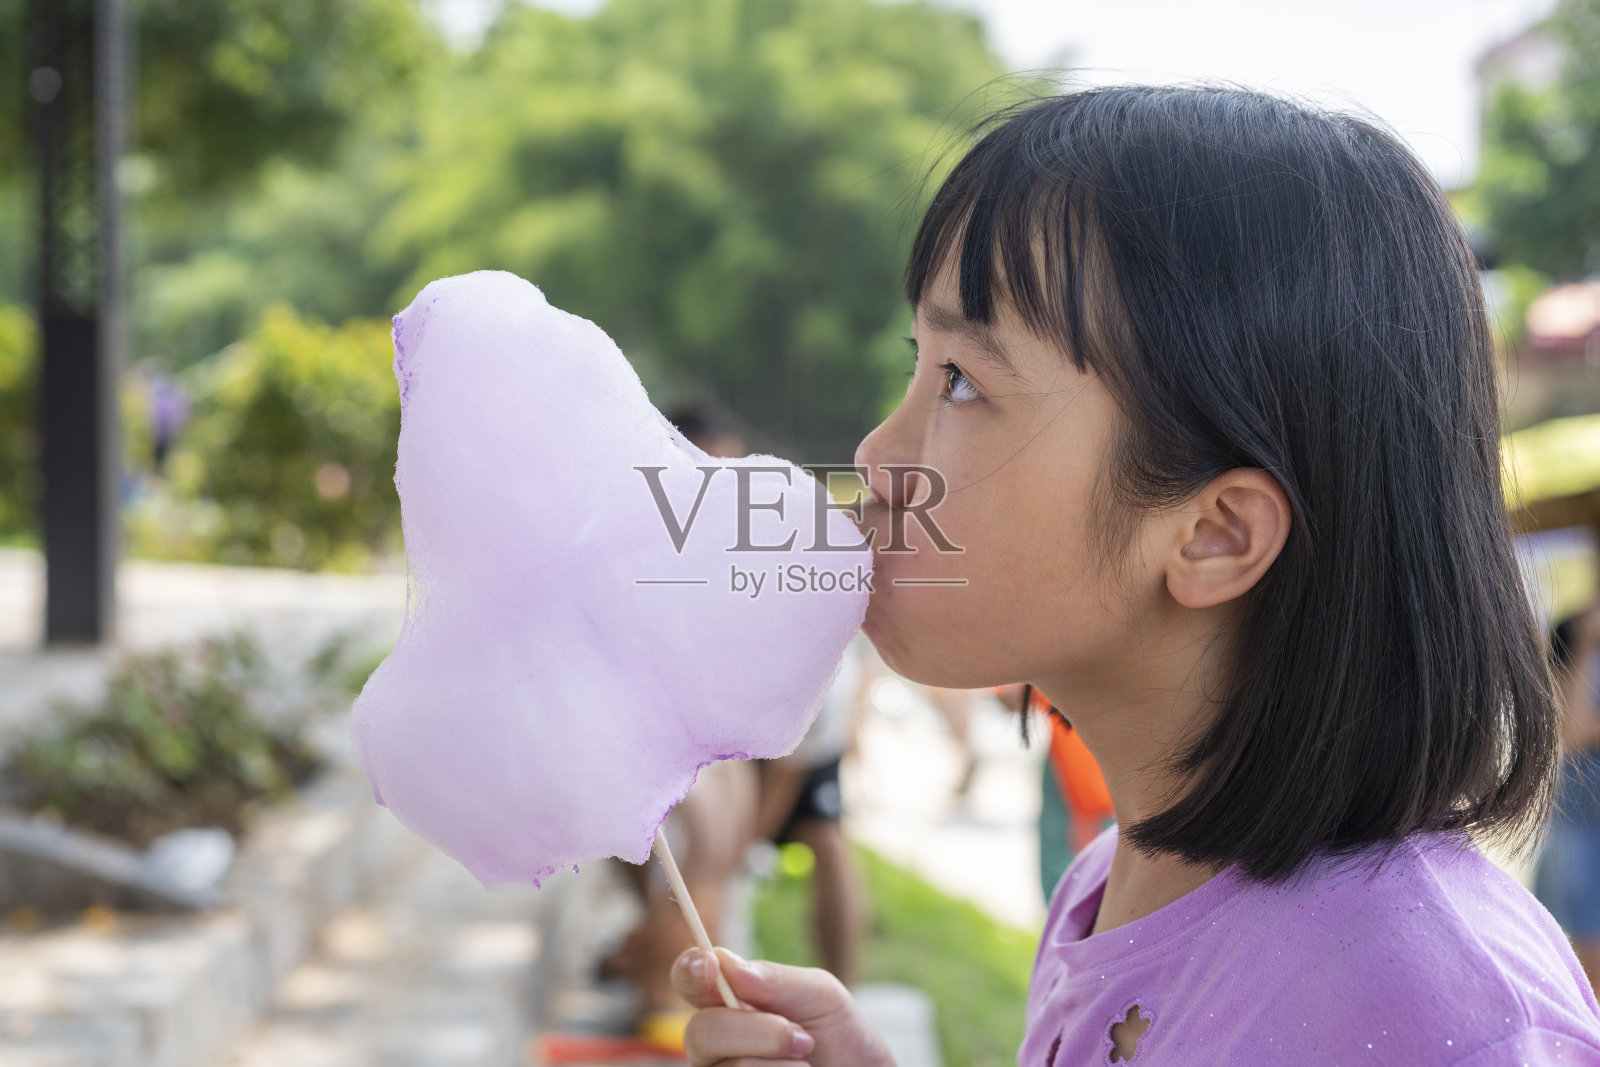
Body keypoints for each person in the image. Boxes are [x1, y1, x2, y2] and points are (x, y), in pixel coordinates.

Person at [665, 86, 1600, 1065]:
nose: (878, 453)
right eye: (920, 362)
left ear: (1213, 534)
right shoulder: (1107, 881)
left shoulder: (1428, 1015)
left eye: (962, 382)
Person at [1536, 603, 1600, 995]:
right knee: (1583, 981)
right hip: (1578, 834)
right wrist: (1586, 642)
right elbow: (1571, 731)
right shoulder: (1570, 630)